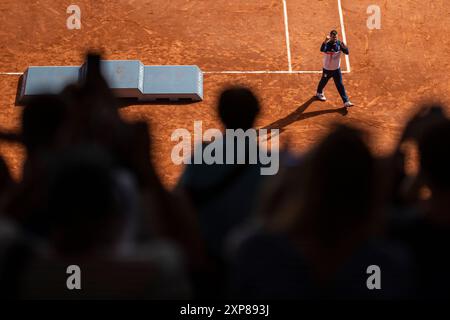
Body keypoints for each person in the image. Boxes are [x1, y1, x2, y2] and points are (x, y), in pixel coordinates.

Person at [316, 30, 353, 108]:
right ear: (330, 37)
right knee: (323, 81)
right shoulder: (327, 45)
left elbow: (347, 52)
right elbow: (322, 49)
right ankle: (319, 93)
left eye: (336, 37)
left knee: (340, 84)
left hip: (336, 69)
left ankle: (346, 101)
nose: (335, 38)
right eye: (333, 37)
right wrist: (325, 41)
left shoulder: (339, 44)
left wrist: (344, 46)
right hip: (327, 69)